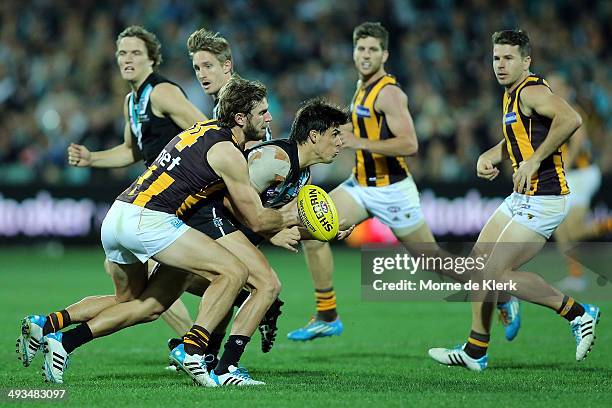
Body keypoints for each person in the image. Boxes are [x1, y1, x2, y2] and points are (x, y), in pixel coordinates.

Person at [30, 77, 299, 386]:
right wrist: (292, 215)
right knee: (233, 272)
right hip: (151, 220)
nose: (269, 118)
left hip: (118, 215)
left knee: (144, 304)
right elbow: (257, 221)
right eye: (263, 112)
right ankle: (193, 350)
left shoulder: (202, 131)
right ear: (241, 118)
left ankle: (62, 340)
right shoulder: (228, 152)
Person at [290, 21, 520, 342]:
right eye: (361, 48)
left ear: (385, 54)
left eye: (373, 49)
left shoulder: (389, 93)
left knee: (436, 264)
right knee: (313, 232)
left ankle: (502, 292)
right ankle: (327, 314)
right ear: (354, 52)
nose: (366, 55)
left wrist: (359, 142)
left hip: (393, 191)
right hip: (360, 185)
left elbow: (410, 144)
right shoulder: (361, 86)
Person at [428, 30, 600, 371]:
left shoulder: (532, 89)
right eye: (496, 58)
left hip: (545, 197)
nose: (501, 65)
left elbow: (572, 120)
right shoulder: (511, 94)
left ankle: (579, 314)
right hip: (521, 196)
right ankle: (476, 350)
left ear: (526, 61)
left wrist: (535, 161)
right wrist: (489, 154)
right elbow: (515, 139)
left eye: (508, 58)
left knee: (494, 274)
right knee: (479, 265)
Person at [60, 25, 203, 340]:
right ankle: (192, 343)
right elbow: (131, 150)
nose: (127, 59)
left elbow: (204, 132)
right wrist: (92, 158)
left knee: (169, 280)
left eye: (136, 53)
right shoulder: (131, 101)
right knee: (141, 281)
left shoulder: (162, 92)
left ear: (152, 60)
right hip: (158, 200)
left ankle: (198, 340)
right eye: (122, 53)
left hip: (179, 198)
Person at [547, 73, 612, 292]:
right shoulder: (554, 111)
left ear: (565, 88)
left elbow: (579, 141)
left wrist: (563, 167)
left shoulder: (571, 108)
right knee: (561, 230)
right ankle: (576, 277)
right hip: (573, 176)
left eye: (554, 86)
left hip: (581, 174)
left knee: (572, 231)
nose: (550, 90)